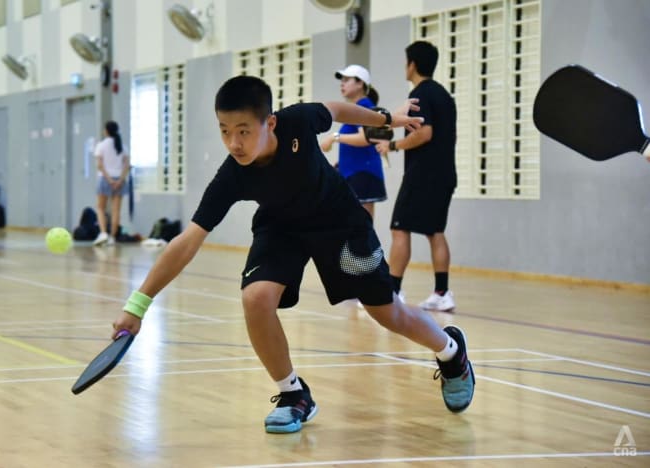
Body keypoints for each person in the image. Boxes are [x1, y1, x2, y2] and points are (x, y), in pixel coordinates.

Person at [111, 76, 475, 434]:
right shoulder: (233, 176)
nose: (234, 143)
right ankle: (293, 394)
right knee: (256, 298)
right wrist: (137, 305)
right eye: (224, 131)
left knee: (386, 311)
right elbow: (188, 241)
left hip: (340, 222)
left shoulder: (298, 120)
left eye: (243, 131)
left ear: (269, 123)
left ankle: (451, 352)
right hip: (281, 227)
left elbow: (334, 110)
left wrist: (385, 119)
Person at [373, 41, 458, 312]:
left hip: (423, 175)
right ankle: (442, 292)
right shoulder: (444, 95)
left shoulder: (420, 95)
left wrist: (393, 145)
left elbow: (424, 132)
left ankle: (393, 291)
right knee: (435, 231)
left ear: (412, 64)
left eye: (405, 61)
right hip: (445, 174)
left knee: (399, 228)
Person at [319, 64, 387, 220]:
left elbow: (365, 138)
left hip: (363, 174)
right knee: (351, 227)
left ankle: (358, 247)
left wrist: (334, 137)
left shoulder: (364, 106)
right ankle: (348, 247)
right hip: (353, 174)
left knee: (361, 228)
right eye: (341, 80)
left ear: (360, 83)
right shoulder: (358, 107)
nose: (342, 83)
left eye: (347, 79)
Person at [92, 121, 130, 246]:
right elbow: (126, 166)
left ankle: (103, 233)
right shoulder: (122, 146)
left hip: (105, 179)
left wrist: (109, 180)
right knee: (116, 210)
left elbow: (100, 165)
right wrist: (119, 180)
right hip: (120, 180)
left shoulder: (101, 145)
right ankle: (113, 237)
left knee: (101, 208)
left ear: (106, 131)